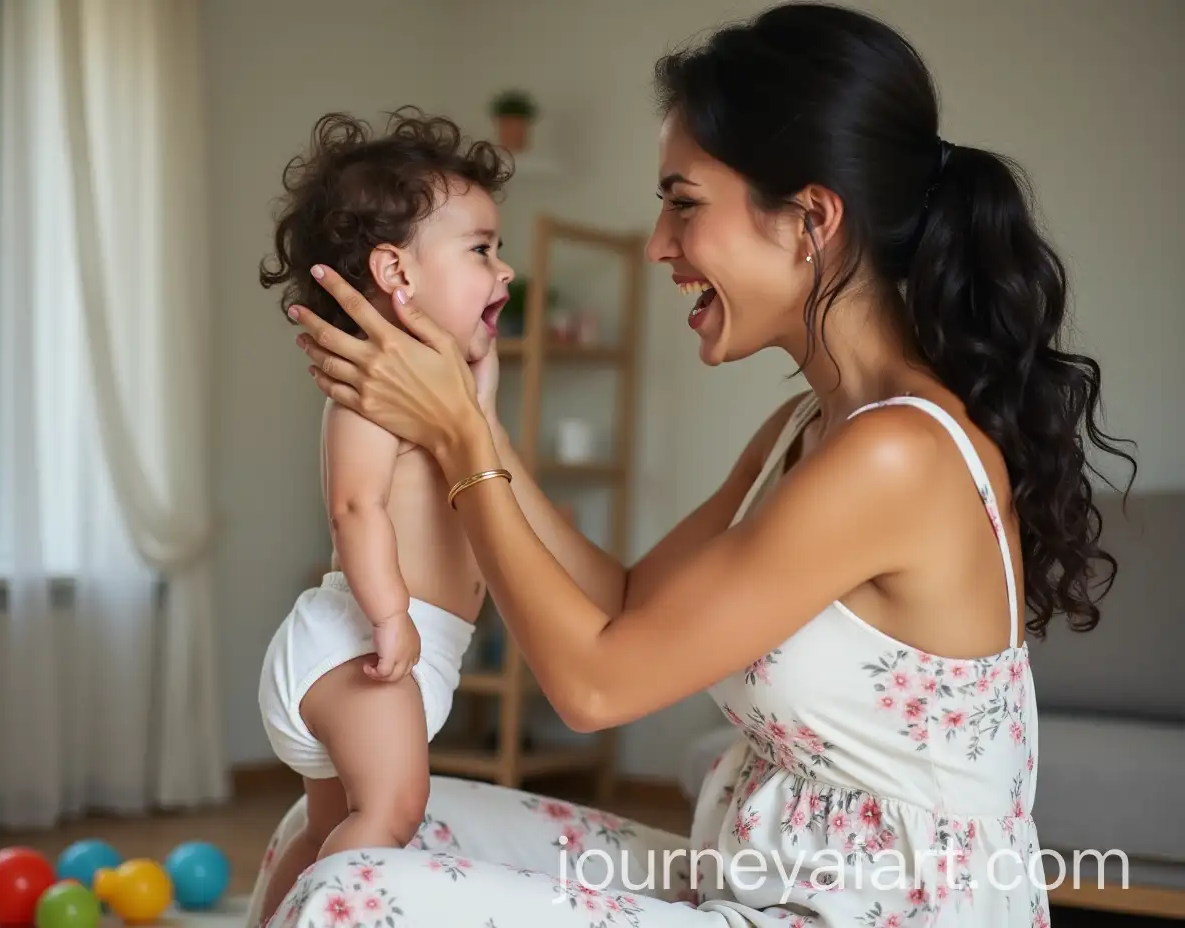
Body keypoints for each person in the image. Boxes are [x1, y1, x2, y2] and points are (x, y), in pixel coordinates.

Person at [251, 4, 1136, 926]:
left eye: (684, 203)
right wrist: (471, 420)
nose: (658, 244)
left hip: (864, 914)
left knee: (356, 891)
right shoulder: (808, 426)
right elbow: (627, 602)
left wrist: (461, 444)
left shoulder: (896, 456)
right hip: (756, 878)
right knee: (334, 827)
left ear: (811, 219)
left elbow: (594, 686)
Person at [252, 108, 516, 924]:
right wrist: (390, 615)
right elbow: (354, 506)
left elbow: (481, 449)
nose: (505, 270)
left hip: (385, 646)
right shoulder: (372, 391)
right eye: (481, 250)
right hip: (360, 641)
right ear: (396, 271)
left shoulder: (442, 385)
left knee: (329, 827)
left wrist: (482, 377)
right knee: (392, 812)